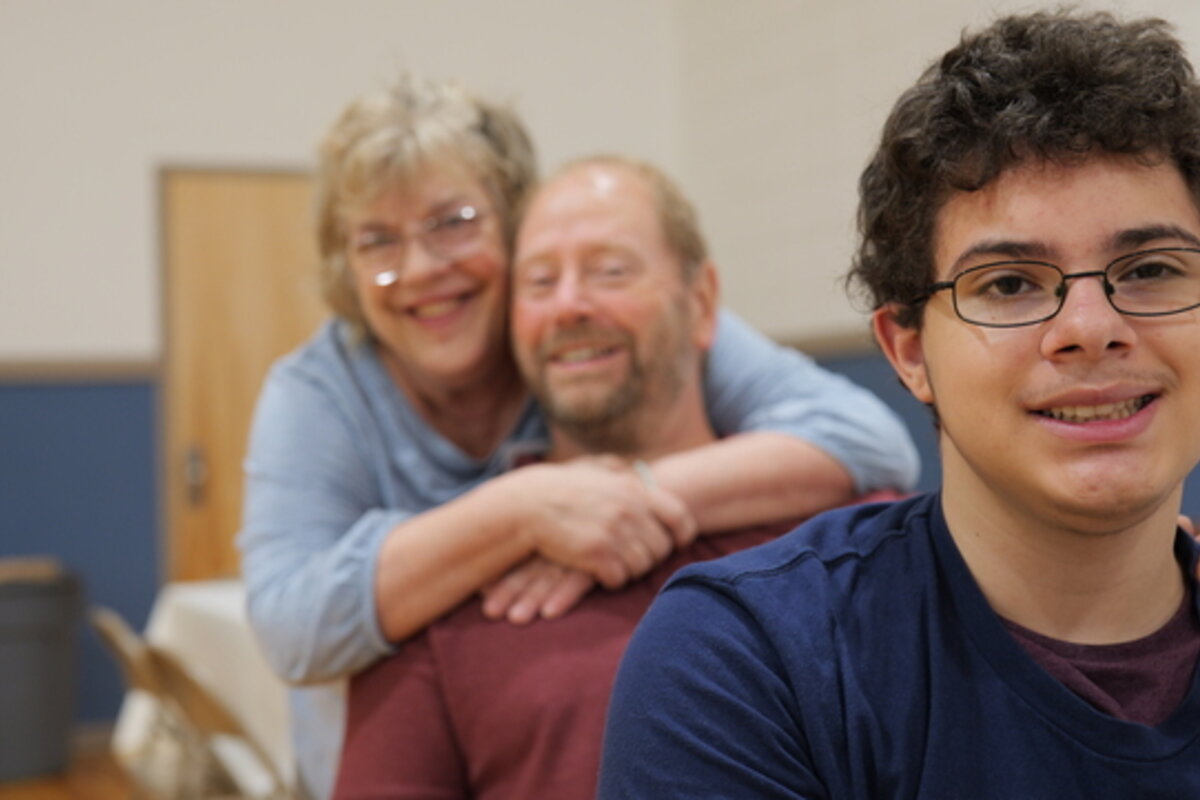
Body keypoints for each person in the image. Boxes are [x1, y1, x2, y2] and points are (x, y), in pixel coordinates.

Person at [237, 77, 919, 798]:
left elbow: (866, 436)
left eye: (454, 222)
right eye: (376, 240)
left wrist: (625, 499)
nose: (420, 268)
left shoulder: (608, 324)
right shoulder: (320, 394)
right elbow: (290, 624)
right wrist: (524, 510)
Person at [599, 11, 1200, 798]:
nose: (1090, 330)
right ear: (909, 351)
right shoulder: (751, 662)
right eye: (1009, 284)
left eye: (1151, 268)